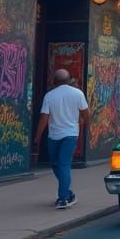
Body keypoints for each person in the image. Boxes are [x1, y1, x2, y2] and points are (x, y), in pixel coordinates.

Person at [33, 69, 89, 209]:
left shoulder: (49, 96)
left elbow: (44, 118)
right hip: (71, 134)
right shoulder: (78, 93)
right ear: (69, 80)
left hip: (54, 135)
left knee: (58, 164)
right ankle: (67, 193)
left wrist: (37, 137)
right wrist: (86, 126)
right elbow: (85, 113)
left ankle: (63, 198)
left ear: (54, 81)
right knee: (61, 165)